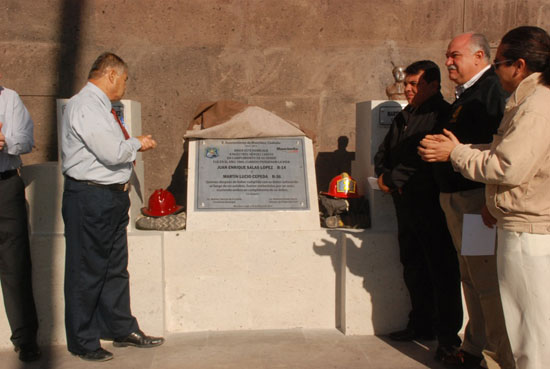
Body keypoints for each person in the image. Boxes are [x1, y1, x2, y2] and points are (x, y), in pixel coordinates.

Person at [419, 25, 550, 369]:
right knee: (479, 284)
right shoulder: (514, 98)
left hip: (509, 219)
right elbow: (503, 149)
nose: (448, 62)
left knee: (521, 322)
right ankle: (482, 347)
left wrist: (457, 154)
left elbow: (508, 165)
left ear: (518, 65)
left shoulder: (522, 101)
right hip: (495, 211)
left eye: (500, 62)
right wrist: (459, 150)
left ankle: (493, 355)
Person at [61, 52, 163, 362]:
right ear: (111, 76)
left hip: (111, 197)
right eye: (125, 79)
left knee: (115, 268)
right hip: (91, 196)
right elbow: (111, 151)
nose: (126, 86)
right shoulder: (86, 106)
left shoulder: (101, 107)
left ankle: (121, 328)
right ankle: (83, 339)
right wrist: (137, 143)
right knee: (86, 269)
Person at [374, 60, 463, 353]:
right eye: (407, 84)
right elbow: (385, 151)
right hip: (405, 202)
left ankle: (448, 337)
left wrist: (394, 178)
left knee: (440, 269)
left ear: (434, 85)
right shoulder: (405, 115)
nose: (408, 90)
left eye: (415, 84)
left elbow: (425, 157)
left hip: (430, 203)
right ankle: (420, 323)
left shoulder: (443, 114)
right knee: (412, 265)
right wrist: (385, 175)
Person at [0, 82, 41, 362]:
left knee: (15, 264)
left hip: (5, 184)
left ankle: (25, 339)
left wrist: (6, 142)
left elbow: (26, 140)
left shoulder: (10, 97)